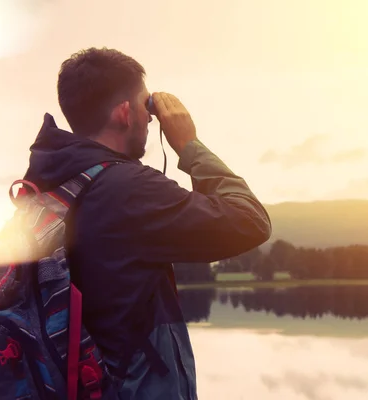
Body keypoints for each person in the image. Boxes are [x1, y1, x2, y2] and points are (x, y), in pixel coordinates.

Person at [21, 47, 272, 399]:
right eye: (146, 105)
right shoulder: (127, 190)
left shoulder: (51, 185)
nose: (151, 118)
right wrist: (189, 145)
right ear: (125, 113)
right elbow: (250, 221)